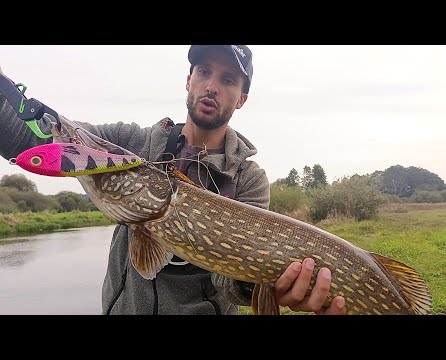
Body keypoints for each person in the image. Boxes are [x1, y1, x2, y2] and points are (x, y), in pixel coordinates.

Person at [0, 45, 346, 315]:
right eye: (204, 71)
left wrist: (267, 285)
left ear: (241, 98)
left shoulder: (247, 179)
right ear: (188, 79)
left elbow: (229, 282)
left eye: (228, 80)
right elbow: (40, 142)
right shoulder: (132, 144)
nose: (211, 86)